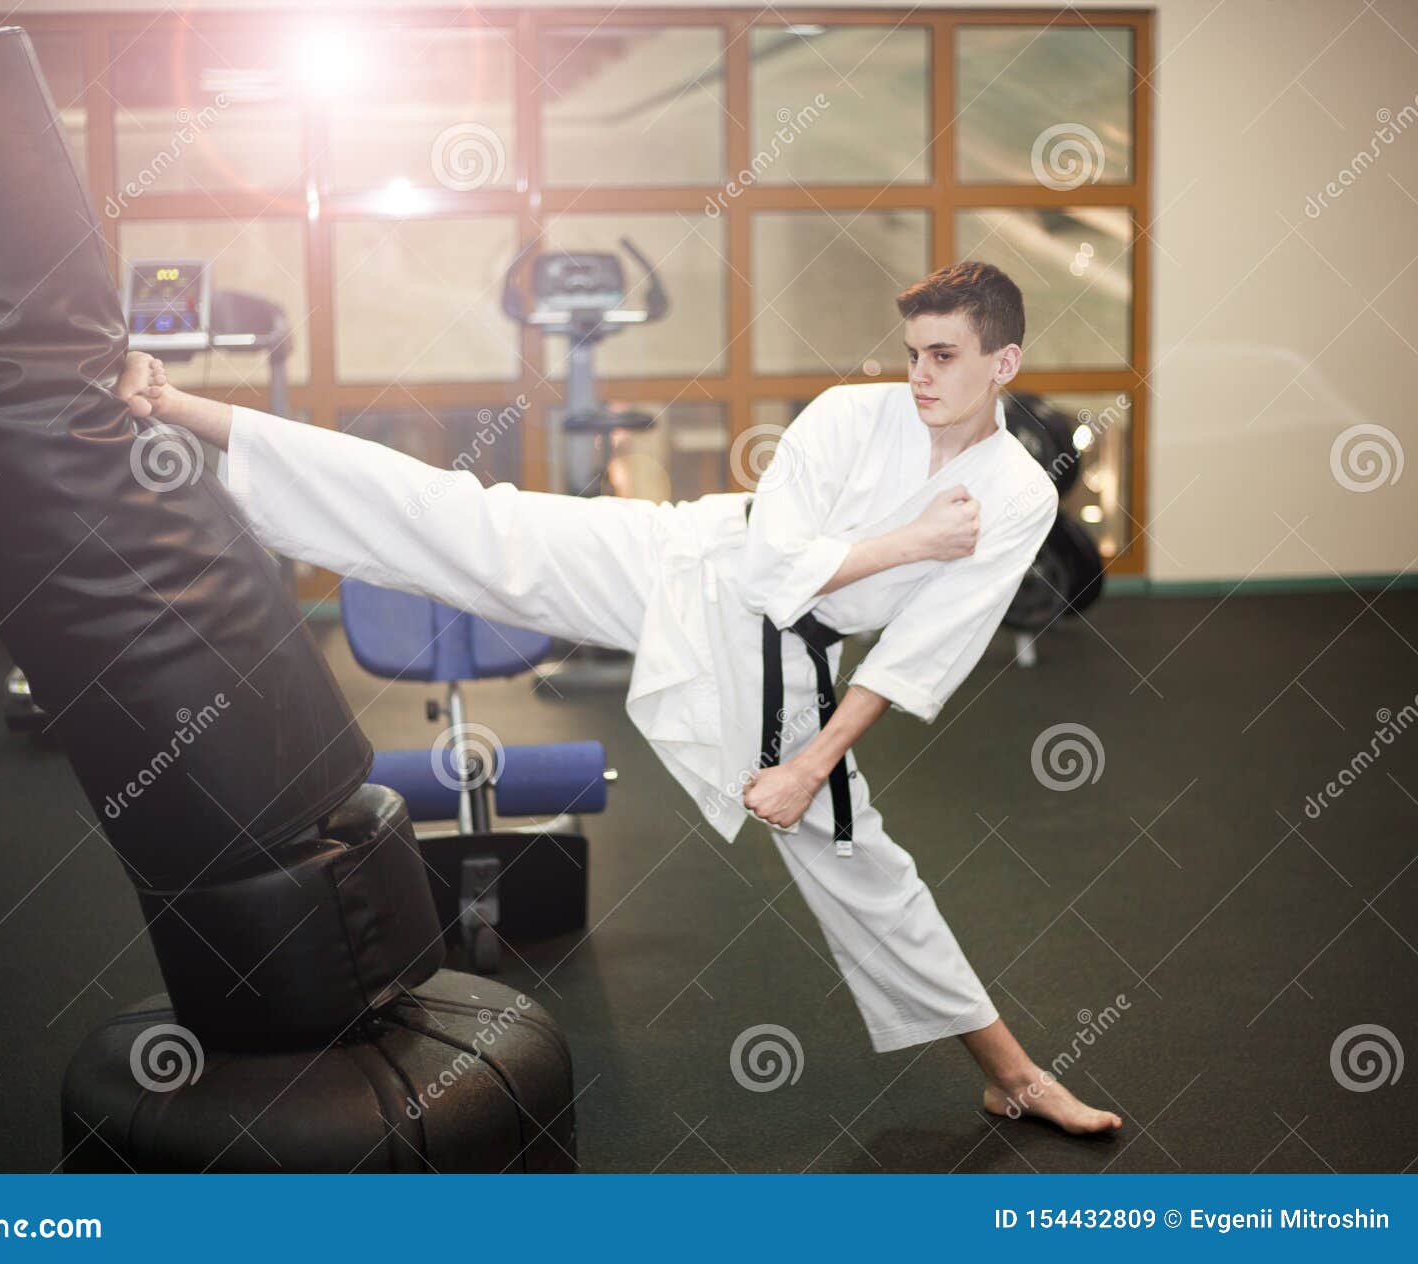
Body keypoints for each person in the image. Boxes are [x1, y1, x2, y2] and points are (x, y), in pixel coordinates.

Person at [114, 260, 1121, 1136]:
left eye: (943, 356)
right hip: (686, 560)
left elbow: (916, 654)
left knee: (865, 864)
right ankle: (185, 414)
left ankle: (1013, 1077)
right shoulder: (853, 416)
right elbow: (775, 569)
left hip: (787, 668)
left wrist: (811, 764)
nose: (919, 377)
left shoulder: (1019, 496)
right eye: (912, 352)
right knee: (460, 518)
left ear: (1004, 363)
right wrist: (913, 540)